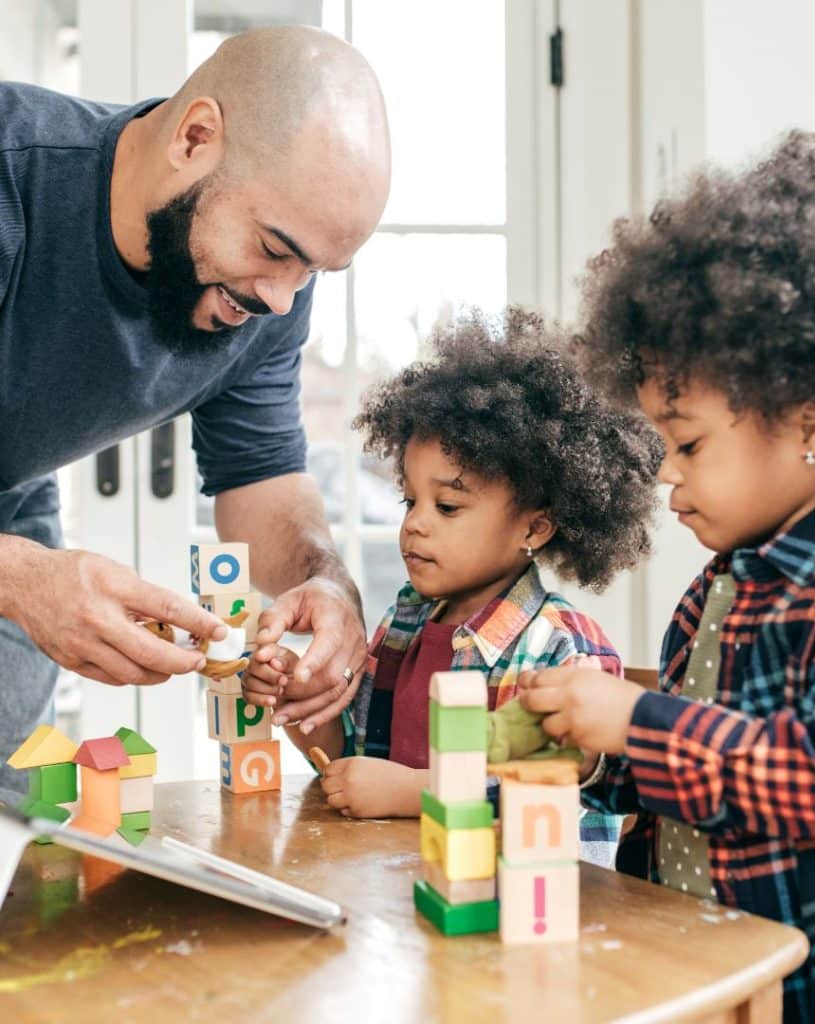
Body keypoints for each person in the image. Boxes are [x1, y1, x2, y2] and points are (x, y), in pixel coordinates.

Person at [519, 132, 815, 1023]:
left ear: (811, 422)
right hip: (711, 971)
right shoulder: (715, 593)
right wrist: (597, 750)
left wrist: (638, 720)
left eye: (690, 443)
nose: (665, 472)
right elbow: (695, 775)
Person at [0, 26, 391, 790]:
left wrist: (327, 585)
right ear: (195, 136)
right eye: (277, 248)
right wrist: (22, 580)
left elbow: (264, 478)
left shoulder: (268, 300)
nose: (281, 299)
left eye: (315, 271)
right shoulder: (14, 179)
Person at [243, 309, 662, 866]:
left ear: (534, 527)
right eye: (408, 500)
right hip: (401, 890)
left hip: (516, 908)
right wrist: (307, 706)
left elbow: (550, 796)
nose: (415, 523)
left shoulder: (561, 650)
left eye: (447, 506)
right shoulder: (405, 624)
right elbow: (358, 762)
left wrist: (410, 792)